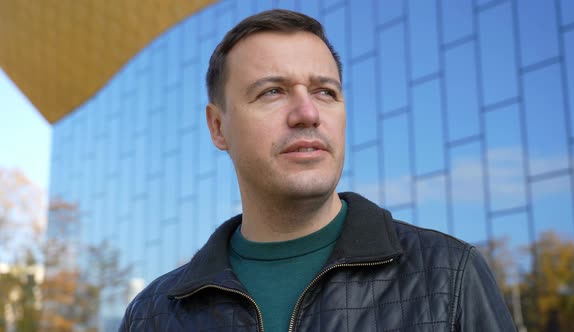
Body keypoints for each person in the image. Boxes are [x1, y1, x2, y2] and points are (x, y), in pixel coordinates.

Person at [120, 9, 515, 332]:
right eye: (272, 91)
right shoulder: (153, 314)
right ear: (218, 127)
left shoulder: (449, 274)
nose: (307, 113)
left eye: (325, 92)